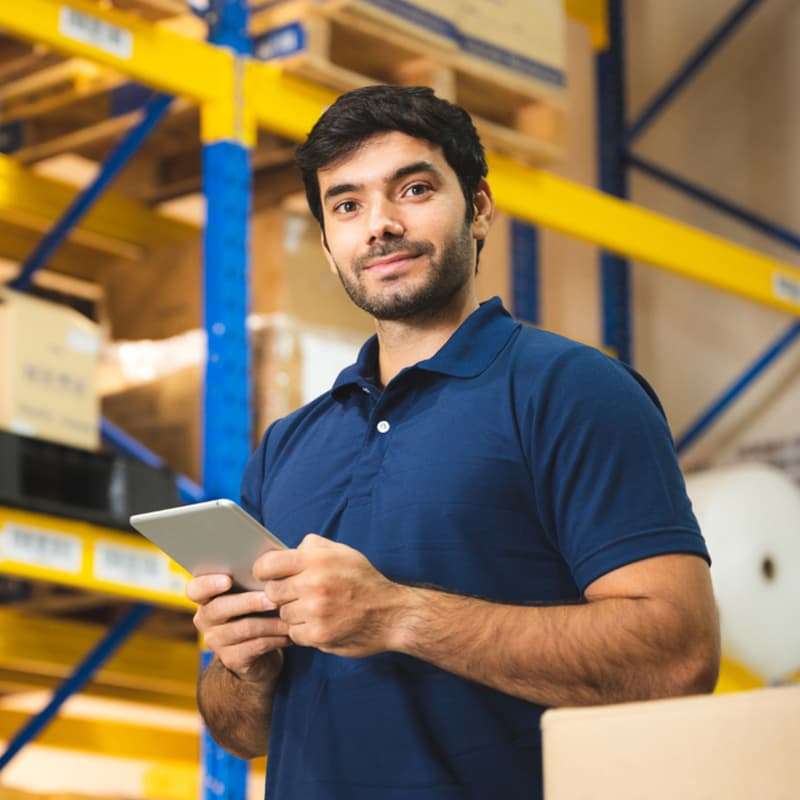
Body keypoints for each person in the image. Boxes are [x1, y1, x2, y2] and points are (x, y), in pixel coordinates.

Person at [188, 85, 720, 800]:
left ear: (479, 208)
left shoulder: (573, 390)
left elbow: (679, 659)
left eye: (413, 189)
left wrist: (398, 615)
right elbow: (241, 732)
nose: (379, 225)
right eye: (346, 205)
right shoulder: (288, 444)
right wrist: (245, 669)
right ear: (328, 245)